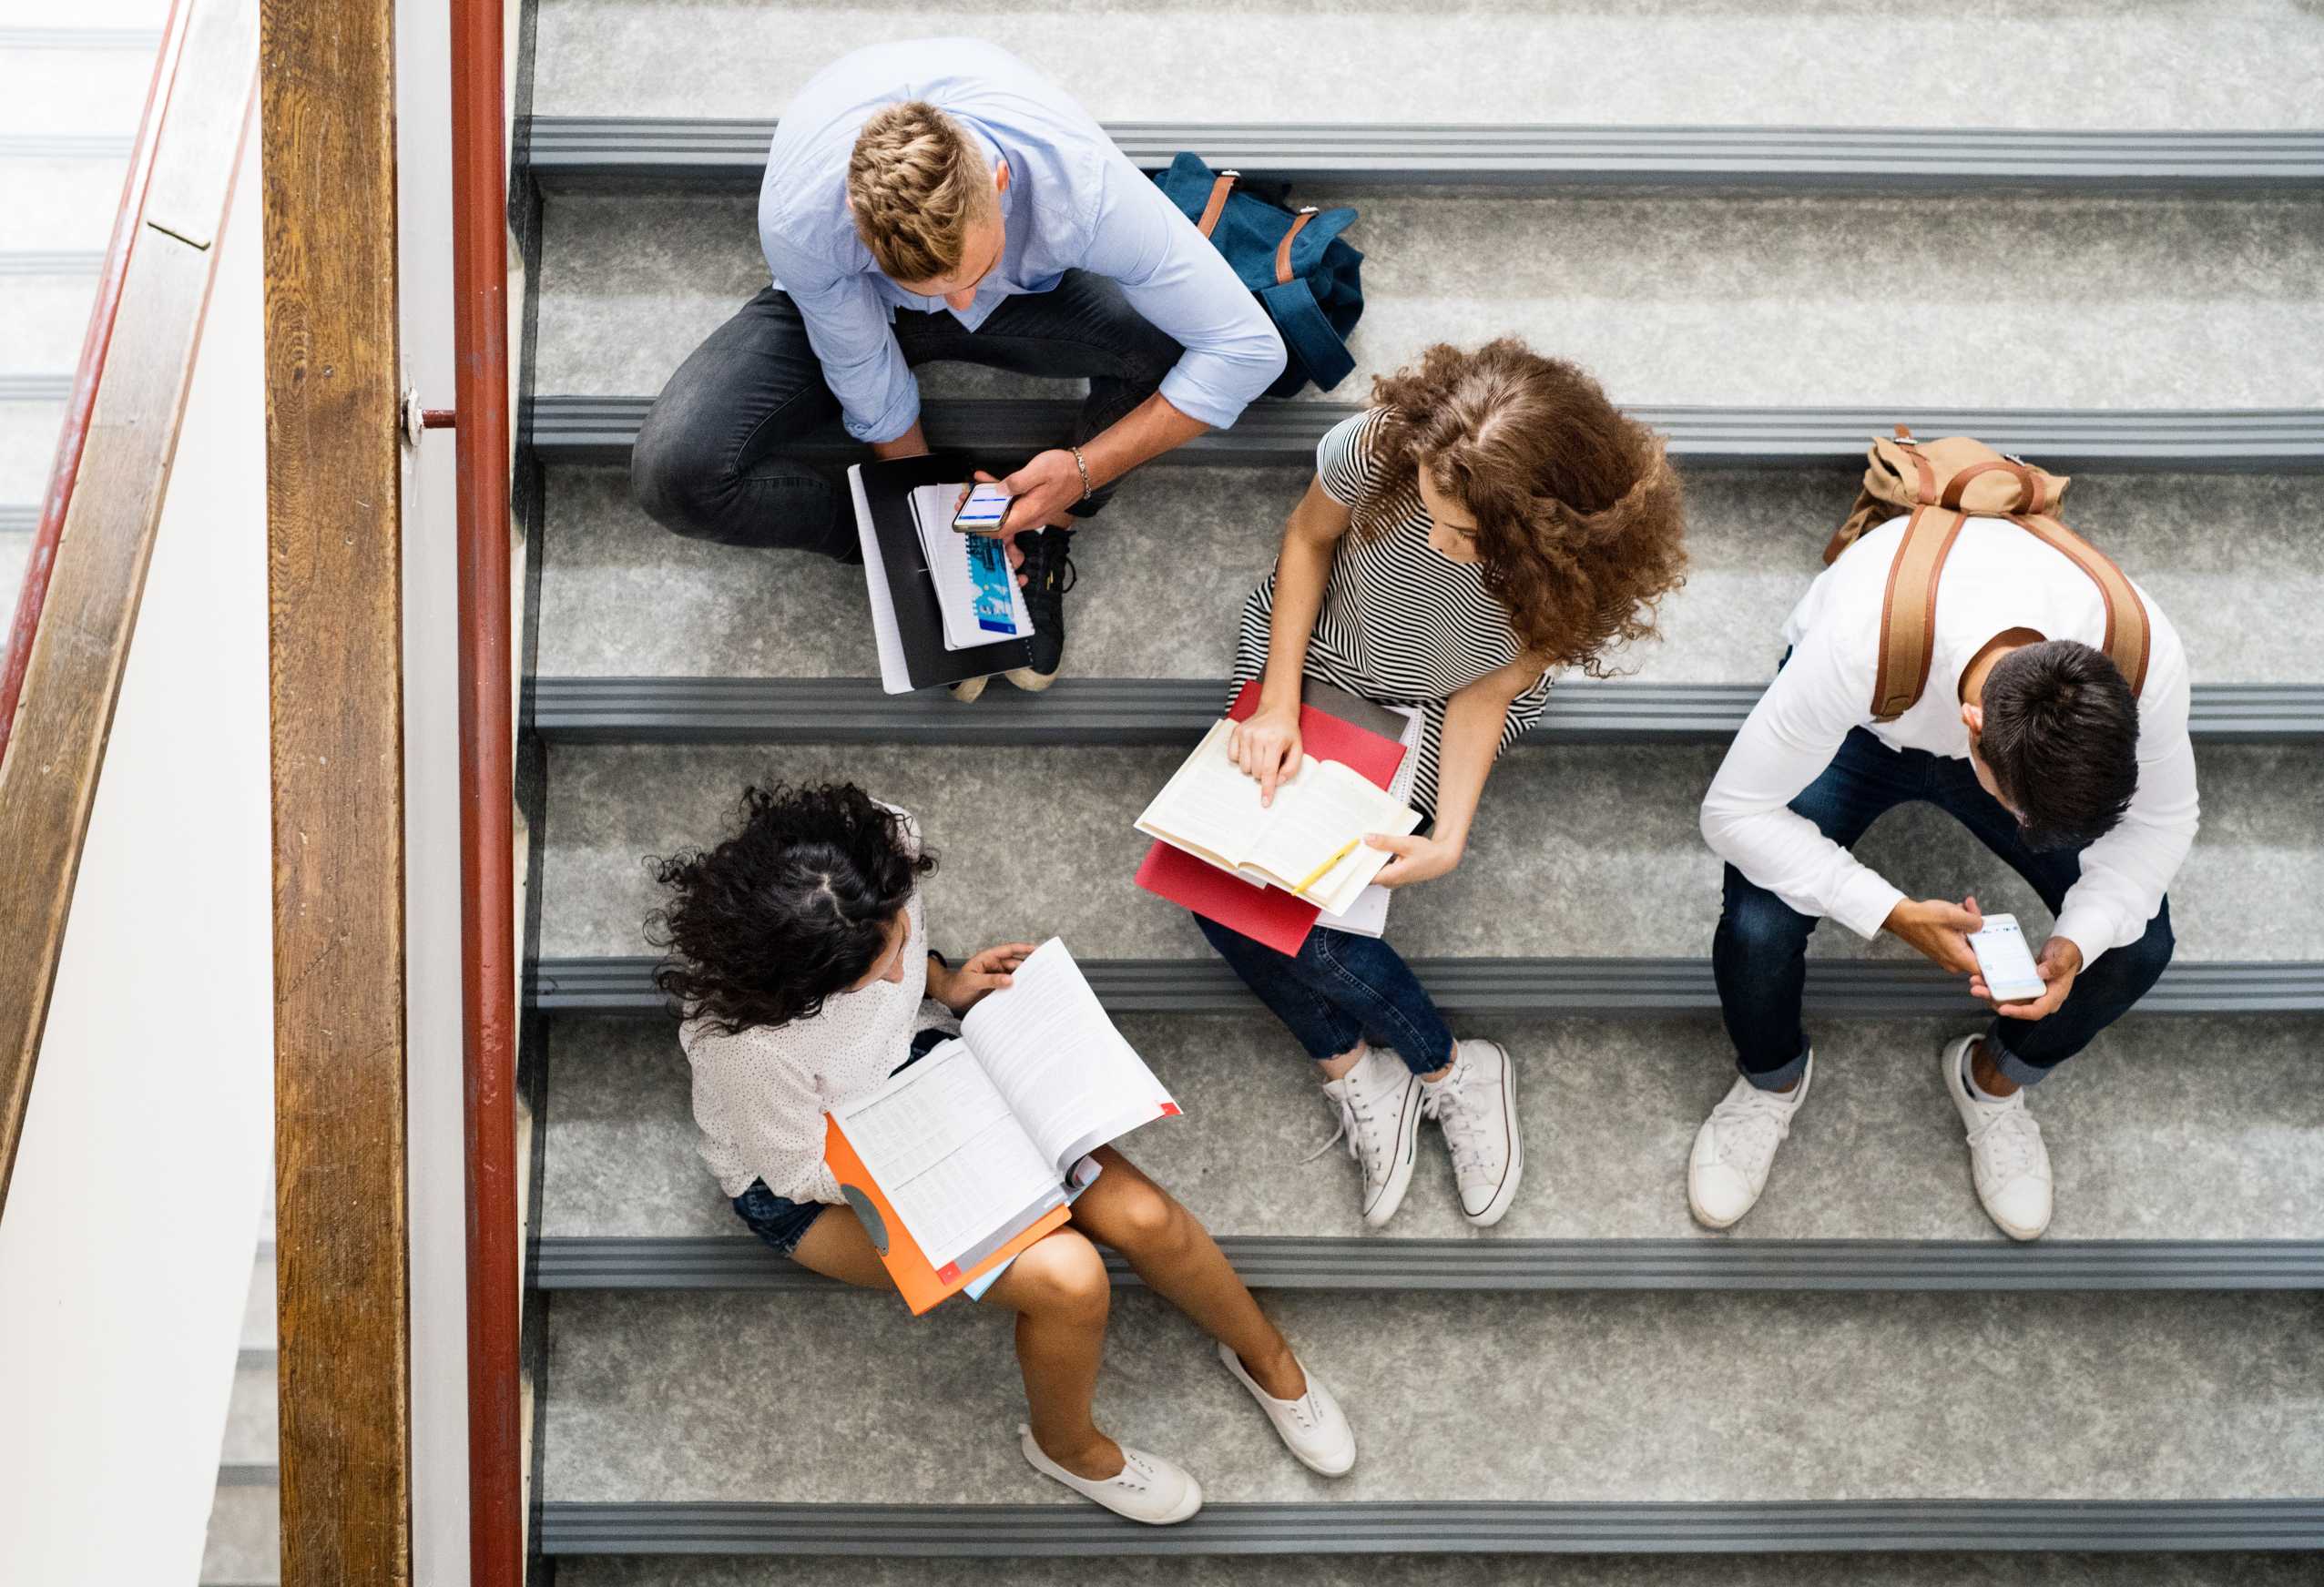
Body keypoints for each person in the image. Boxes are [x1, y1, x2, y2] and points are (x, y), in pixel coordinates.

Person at [647, 781, 1353, 1524]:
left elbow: (906, 963)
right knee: (1070, 1276)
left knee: (1144, 1217)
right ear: (800, 982)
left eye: (897, 940)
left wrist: (945, 983)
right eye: (871, 971)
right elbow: (798, 1172)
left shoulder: (886, 846)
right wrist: (955, 1153)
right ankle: (1067, 1444)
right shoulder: (744, 1047)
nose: (896, 971)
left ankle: (1266, 1357)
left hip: (928, 1074)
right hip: (822, 1176)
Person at [628, 37, 1287, 695]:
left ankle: (1047, 519)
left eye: (970, 272)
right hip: (858, 302)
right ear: (860, 229)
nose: (959, 304)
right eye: (934, 286)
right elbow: (864, 370)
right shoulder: (805, 218)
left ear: (1000, 185)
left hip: (1030, 296)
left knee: (1169, 343)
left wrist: (1083, 471)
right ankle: (892, 542)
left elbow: (1248, 348)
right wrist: (930, 526)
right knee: (675, 471)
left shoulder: (1082, 184)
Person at [1207, 340, 1689, 1229]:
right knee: (1215, 885)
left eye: (1464, 534)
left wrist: (1450, 832)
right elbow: (1308, 540)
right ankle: (1408, 1066)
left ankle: (1400, 1069)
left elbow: (1487, 688)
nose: (1438, 539)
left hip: (1438, 705)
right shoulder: (1380, 447)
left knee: (1297, 906)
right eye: (1431, 510)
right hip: (1315, 659)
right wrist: (1277, 705)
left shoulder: (1574, 570)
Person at [1692, 502, 2196, 1240]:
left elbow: (2164, 821)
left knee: (2140, 943)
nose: (2029, 837)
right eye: (2024, 817)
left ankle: (1993, 1082)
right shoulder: (1859, 641)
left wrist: (2079, 941)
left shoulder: (2144, 659)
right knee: (1757, 924)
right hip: (1867, 719)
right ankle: (1770, 1080)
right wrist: (1886, 908)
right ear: (1973, 732)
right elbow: (1731, 814)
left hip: (1973, 720)